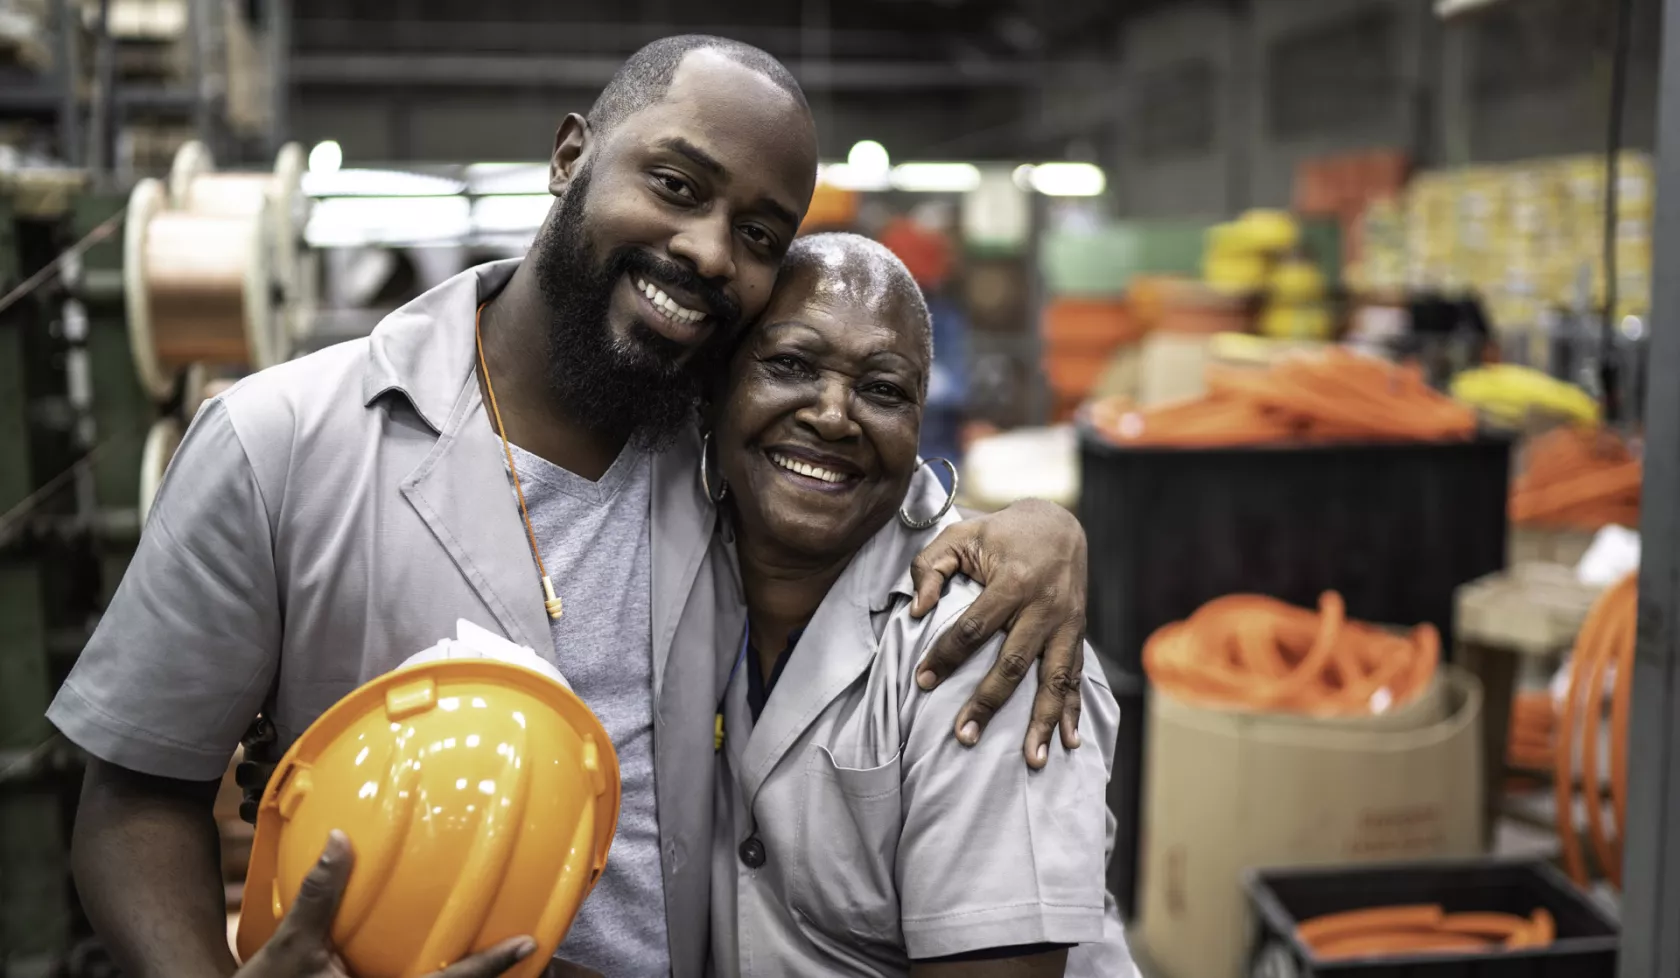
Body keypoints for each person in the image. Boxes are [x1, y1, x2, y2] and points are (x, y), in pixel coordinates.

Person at [48, 35, 1094, 978]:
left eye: (761, 233)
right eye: (677, 184)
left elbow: (873, 480)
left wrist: (1042, 534)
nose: (709, 249)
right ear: (569, 157)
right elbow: (136, 795)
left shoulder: (723, 433)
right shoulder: (281, 446)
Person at [702, 233, 1131, 977]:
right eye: (791, 366)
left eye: (883, 389)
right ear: (716, 387)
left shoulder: (988, 642)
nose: (833, 415)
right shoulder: (679, 559)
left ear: (919, 421)